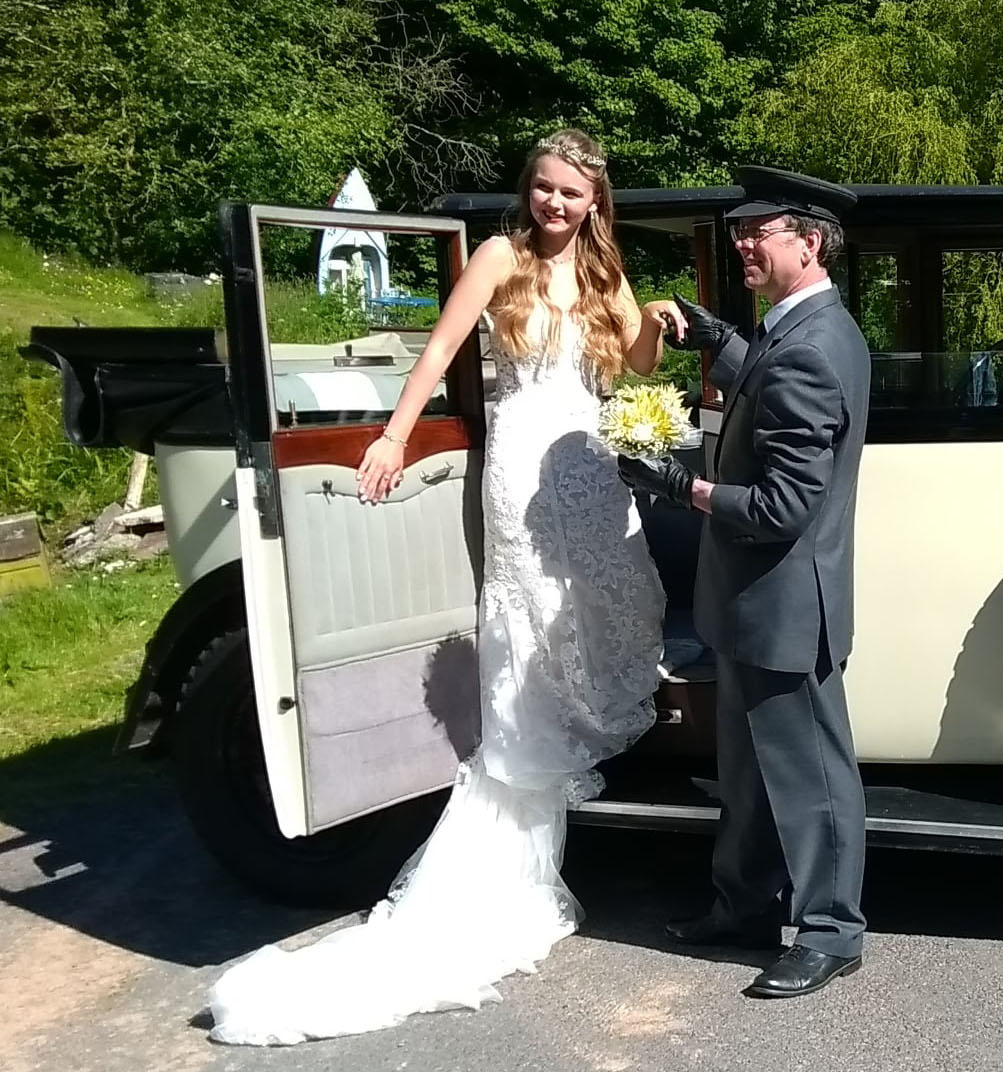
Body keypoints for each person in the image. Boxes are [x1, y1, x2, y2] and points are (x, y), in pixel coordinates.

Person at [203, 129, 687, 1046]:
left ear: (595, 202)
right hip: (519, 463)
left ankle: (597, 740)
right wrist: (393, 434)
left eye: (571, 194)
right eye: (543, 188)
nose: (554, 204)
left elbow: (641, 367)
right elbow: (439, 349)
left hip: (586, 462)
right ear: (529, 189)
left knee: (624, 593)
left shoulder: (603, 269)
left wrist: (651, 320)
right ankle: (541, 769)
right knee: (535, 620)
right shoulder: (500, 255)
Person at [623, 166, 872, 999]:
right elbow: (763, 367)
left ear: (809, 240)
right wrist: (716, 337)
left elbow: (781, 505)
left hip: (784, 605)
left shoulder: (811, 349)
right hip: (753, 607)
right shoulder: (800, 328)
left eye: (756, 230)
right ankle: (743, 904)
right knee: (750, 776)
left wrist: (677, 486)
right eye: (739, 230)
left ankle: (833, 932)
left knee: (810, 780)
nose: (741, 242)